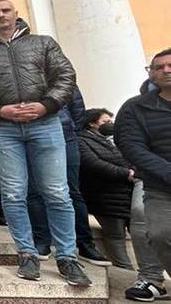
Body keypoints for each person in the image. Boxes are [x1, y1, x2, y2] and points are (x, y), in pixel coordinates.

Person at [0, 0, 90, 286]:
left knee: (57, 192)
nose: (1, 15)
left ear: (16, 15)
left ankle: (68, 257)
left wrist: (46, 105)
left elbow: (65, 76)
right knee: (14, 193)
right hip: (2, 127)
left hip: (44, 123)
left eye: (6, 10)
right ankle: (27, 253)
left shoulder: (43, 43)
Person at [28, 85, 109, 265]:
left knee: (71, 192)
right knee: (34, 191)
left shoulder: (62, 77)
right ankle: (42, 240)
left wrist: (68, 126)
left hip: (65, 136)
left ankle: (84, 243)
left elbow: (78, 111)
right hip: (32, 136)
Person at [117, 48, 171, 282]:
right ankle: (151, 277)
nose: (166, 71)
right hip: (159, 187)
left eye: (170, 65)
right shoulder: (135, 108)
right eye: (159, 67)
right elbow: (131, 146)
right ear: (150, 74)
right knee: (161, 235)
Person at [76, 108, 134, 270]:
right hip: (105, 196)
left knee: (141, 234)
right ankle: (125, 272)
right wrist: (125, 173)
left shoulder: (114, 140)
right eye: (105, 121)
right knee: (115, 236)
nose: (110, 125)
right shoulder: (82, 141)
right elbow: (93, 164)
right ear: (92, 123)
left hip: (126, 194)